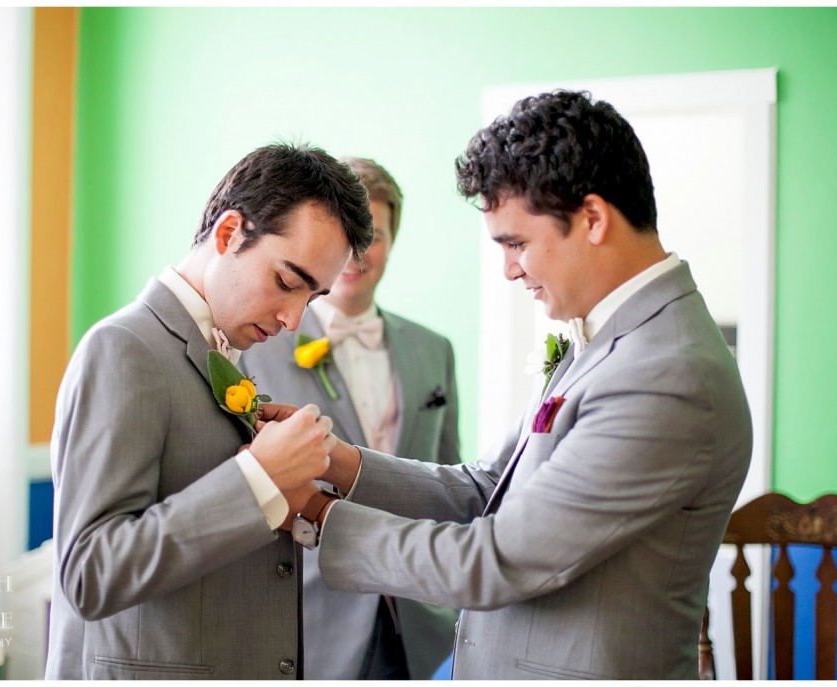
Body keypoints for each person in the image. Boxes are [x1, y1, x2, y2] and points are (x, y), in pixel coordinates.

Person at [284, 90, 753, 679]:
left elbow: (499, 559)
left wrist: (320, 515)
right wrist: (339, 462)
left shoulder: (669, 373)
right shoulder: (610, 339)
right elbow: (485, 490)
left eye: (517, 244)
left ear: (592, 219)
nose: (509, 269)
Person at [44, 142, 374, 679]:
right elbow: (89, 574)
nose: (293, 320)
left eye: (311, 298)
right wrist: (258, 479)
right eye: (287, 282)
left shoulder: (229, 351)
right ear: (228, 234)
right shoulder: (124, 348)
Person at [241, 157, 460, 680]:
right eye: (350, 238)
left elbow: (450, 479)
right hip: (308, 611)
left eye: (376, 235)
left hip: (415, 616)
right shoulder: (261, 343)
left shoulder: (436, 350)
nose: (360, 254)